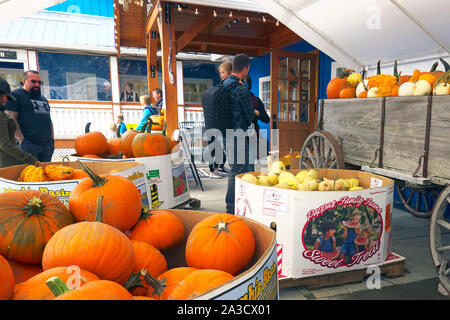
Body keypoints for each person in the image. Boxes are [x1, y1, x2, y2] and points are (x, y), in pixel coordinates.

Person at [223, 53, 256, 214]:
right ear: (245, 68)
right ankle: (231, 207)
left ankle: (236, 204)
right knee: (237, 171)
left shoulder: (224, 84)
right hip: (238, 135)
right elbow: (249, 115)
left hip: (225, 133)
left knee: (234, 169)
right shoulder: (241, 89)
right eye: (248, 69)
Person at [5, 70, 55, 162]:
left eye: (39, 82)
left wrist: (52, 139)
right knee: (30, 174)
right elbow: (10, 118)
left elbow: (48, 119)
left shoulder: (43, 98)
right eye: (33, 81)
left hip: (47, 146)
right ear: (24, 81)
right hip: (28, 145)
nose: (37, 84)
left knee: (46, 174)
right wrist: (21, 139)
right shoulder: (15, 95)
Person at [0, 77, 40, 169]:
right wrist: (31, 159)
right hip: (6, 164)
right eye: (6, 96)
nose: (6, 100)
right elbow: (4, 144)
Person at [208, 61, 233, 179]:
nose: (221, 75)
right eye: (220, 73)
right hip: (218, 124)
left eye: (223, 72)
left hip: (220, 124)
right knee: (216, 149)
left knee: (220, 149)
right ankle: (213, 170)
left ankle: (217, 169)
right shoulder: (222, 90)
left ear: (230, 72)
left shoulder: (226, 89)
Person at [243, 75, 270, 170]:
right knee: (239, 167)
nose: (242, 84)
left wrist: (255, 111)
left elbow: (266, 119)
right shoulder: (235, 97)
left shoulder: (256, 100)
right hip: (237, 135)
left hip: (252, 136)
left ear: (248, 85)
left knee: (250, 167)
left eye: (244, 82)